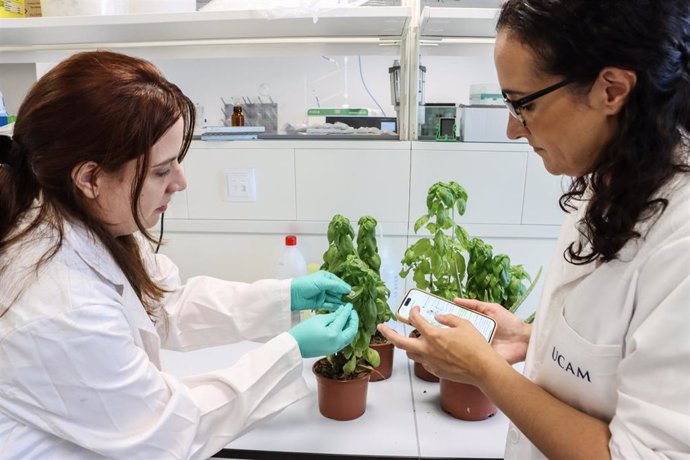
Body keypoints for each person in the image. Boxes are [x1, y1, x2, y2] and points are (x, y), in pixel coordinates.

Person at [0, 50, 359, 459]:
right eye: (161, 170)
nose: (180, 182)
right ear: (90, 177)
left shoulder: (90, 222)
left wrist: (285, 295)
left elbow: (165, 303)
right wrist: (288, 352)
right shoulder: (57, 305)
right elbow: (169, 431)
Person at [379, 0, 690, 458]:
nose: (512, 129)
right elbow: (613, 347)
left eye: (522, 104)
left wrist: (485, 371)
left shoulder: (680, 240)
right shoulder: (609, 177)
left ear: (611, 89)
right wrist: (531, 338)